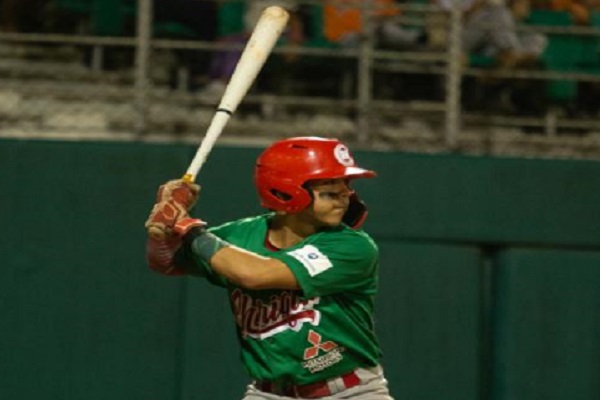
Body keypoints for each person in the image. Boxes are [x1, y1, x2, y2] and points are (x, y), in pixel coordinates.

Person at [144, 136, 394, 400]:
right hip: (268, 393)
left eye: (346, 189)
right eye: (331, 192)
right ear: (287, 191)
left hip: (350, 391)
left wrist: (187, 228)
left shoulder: (352, 246)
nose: (343, 200)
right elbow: (165, 262)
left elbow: (254, 274)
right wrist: (165, 227)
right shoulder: (239, 237)